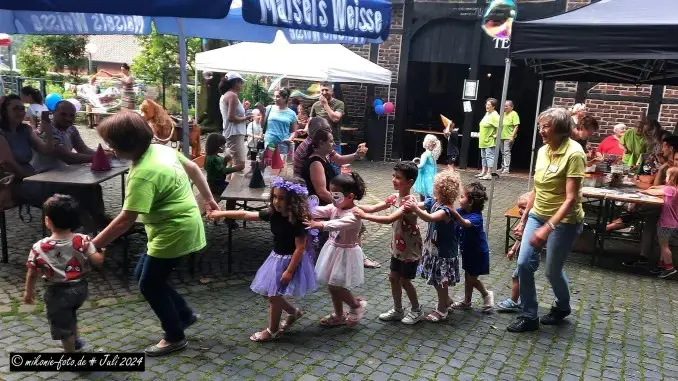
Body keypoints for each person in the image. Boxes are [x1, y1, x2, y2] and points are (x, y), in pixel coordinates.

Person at [91, 112, 218, 356]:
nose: (111, 149)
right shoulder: (162, 150)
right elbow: (193, 167)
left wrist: (93, 245)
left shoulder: (143, 174)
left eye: (112, 144)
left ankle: (174, 336)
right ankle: (184, 314)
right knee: (146, 276)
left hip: (173, 231)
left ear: (126, 145)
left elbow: (125, 220)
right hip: (181, 225)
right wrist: (209, 200)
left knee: (149, 284)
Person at [208, 177, 316, 342]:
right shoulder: (273, 213)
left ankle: (272, 330)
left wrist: (289, 271)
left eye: (281, 198)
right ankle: (294, 312)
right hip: (276, 257)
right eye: (274, 197)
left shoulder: (297, 220)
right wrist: (221, 213)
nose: (276, 201)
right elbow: (245, 213)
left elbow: (300, 248)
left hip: (291, 261)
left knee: (273, 296)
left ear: (292, 200)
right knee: (269, 293)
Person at [508, 107, 585, 333]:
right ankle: (530, 316)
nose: (541, 131)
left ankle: (562, 307)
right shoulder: (542, 151)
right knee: (523, 264)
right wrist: (524, 219)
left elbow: (571, 198)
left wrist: (548, 228)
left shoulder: (575, 153)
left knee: (552, 270)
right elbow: (536, 189)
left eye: (546, 126)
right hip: (537, 214)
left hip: (564, 221)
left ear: (561, 129)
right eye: (540, 126)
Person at [23, 194, 105, 352]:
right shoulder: (82, 240)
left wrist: (29, 292)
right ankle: (77, 342)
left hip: (57, 292)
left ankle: (71, 355)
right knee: (70, 316)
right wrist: (103, 253)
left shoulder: (39, 247)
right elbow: (97, 260)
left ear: (47, 221)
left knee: (62, 327)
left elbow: (32, 272)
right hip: (80, 289)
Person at [354, 162, 424, 325]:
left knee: (405, 281)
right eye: (393, 176)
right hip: (398, 247)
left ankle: (416, 309)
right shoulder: (393, 197)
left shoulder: (409, 202)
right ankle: (398, 310)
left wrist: (363, 216)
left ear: (410, 182)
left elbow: (388, 220)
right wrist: (353, 206)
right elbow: (374, 207)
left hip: (409, 249)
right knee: (393, 278)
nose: (393, 180)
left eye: (398, 178)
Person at [305, 172, 368, 327]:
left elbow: (339, 224)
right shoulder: (335, 207)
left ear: (350, 196)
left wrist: (320, 225)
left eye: (336, 195)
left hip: (346, 253)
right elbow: (320, 210)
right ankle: (339, 314)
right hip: (333, 250)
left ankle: (355, 305)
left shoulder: (354, 214)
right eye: (331, 194)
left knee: (336, 285)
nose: (332, 199)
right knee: (331, 284)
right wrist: (302, 210)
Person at [405, 170, 461, 322]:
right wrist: (412, 204)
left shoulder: (446, 210)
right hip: (433, 250)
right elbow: (421, 205)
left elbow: (429, 217)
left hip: (443, 253)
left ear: (441, 189)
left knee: (441, 281)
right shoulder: (435, 203)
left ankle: (442, 309)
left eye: (435, 186)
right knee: (436, 279)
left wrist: (415, 209)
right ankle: (446, 300)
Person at [450, 182, 494, 312]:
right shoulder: (462, 211)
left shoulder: (476, 217)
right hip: (467, 252)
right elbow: (451, 215)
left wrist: (452, 211)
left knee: (472, 279)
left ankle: (486, 294)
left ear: (471, 202)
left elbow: (464, 223)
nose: (459, 199)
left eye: (462, 197)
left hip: (478, 254)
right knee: (468, 277)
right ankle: (467, 301)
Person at [293, 117, 367, 179]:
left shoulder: (320, 145)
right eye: (327, 129)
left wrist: (356, 154)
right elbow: (320, 190)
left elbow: (339, 159)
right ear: (319, 134)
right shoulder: (312, 152)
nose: (331, 131)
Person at [497, 192, 531, 312]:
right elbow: (519, 239)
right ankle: (522, 299)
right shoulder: (524, 222)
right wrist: (512, 249)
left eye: (524, 208)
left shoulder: (530, 223)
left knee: (516, 277)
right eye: (519, 207)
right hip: (521, 255)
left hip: (528, 256)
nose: (521, 211)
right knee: (521, 278)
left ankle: (514, 300)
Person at [642, 167, 678, 279]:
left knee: (664, 246)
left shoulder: (670, 190)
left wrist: (647, 191)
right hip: (672, 222)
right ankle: (662, 265)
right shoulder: (675, 189)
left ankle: (669, 268)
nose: (665, 178)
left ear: (671, 178)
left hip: (665, 222)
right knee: (664, 244)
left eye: (667, 176)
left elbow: (655, 192)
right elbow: (662, 187)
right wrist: (654, 186)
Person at [219, 72, 251, 175]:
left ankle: (224, 181)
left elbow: (232, 114)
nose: (242, 85)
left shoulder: (226, 95)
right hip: (235, 133)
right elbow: (231, 118)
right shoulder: (232, 95)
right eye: (241, 83)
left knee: (232, 161)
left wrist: (244, 109)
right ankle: (221, 175)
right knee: (240, 165)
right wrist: (246, 118)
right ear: (236, 82)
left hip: (232, 133)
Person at [311, 83, 345, 174]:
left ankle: (335, 188)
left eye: (327, 90)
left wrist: (325, 105)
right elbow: (311, 121)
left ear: (332, 91)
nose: (324, 92)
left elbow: (335, 118)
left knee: (335, 169)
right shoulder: (316, 105)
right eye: (322, 90)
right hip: (319, 143)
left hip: (333, 142)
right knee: (320, 169)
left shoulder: (339, 103)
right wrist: (305, 129)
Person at [263, 88, 298, 166]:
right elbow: (263, 124)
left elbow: (293, 131)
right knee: (268, 166)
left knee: (278, 168)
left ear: (285, 98)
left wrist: (290, 138)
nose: (275, 99)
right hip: (270, 143)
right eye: (274, 96)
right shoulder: (269, 108)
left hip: (283, 144)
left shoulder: (292, 113)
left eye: (278, 96)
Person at [302, 129, 337, 206]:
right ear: (321, 143)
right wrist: (342, 204)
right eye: (331, 141)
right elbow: (322, 193)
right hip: (319, 206)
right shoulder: (316, 163)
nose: (334, 144)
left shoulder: (322, 158)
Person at [477, 98, 499, 181]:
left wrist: (496, 135)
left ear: (493, 106)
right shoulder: (487, 113)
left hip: (489, 140)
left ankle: (489, 173)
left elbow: (500, 126)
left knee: (489, 156)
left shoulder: (494, 115)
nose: (487, 106)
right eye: (486, 104)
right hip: (483, 139)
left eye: (489, 105)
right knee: (483, 157)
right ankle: (483, 172)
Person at [414, 134, 441, 200]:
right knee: (430, 193)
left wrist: (414, 165)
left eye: (424, 141)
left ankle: (423, 206)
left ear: (427, 143)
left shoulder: (425, 154)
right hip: (431, 176)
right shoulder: (432, 154)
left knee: (423, 192)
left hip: (425, 176)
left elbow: (422, 165)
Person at [500, 100, 520, 174]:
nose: (505, 107)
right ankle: (502, 167)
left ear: (511, 107)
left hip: (508, 136)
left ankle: (506, 168)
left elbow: (516, 126)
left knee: (506, 152)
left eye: (506, 106)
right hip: (501, 136)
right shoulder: (503, 114)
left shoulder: (514, 114)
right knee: (502, 152)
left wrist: (512, 136)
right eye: (504, 106)